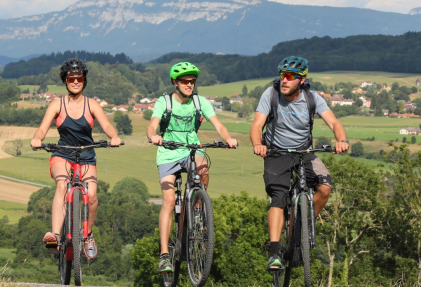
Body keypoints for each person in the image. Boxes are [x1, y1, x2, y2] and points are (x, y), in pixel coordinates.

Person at [249, 56, 349, 271]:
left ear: (301, 80)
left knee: (325, 186)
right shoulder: (271, 94)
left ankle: (303, 225)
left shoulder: (312, 99)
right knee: (279, 197)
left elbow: (333, 122)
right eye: (281, 75)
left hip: (304, 152)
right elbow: (257, 125)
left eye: (289, 76)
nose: (283, 80)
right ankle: (275, 252)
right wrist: (258, 144)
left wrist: (342, 140)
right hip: (276, 153)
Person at [146, 62, 238, 274]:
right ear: (175, 83)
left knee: (203, 167)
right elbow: (152, 124)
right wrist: (153, 136)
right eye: (185, 81)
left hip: (190, 150)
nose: (189, 84)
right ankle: (164, 255)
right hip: (168, 152)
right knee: (169, 201)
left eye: (192, 81)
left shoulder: (200, 102)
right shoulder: (164, 102)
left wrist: (229, 138)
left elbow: (219, 125)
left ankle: (197, 209)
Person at [30, 58, 121, 260]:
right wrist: (37, 138)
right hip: (62, 154)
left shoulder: (92, 105)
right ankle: (54, 235)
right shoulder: (57, 104)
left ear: (84, 80)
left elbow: (106, 125)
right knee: (62, 185)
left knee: (92, 195)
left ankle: (87, 236)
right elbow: (43, 127)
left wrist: (113, 137)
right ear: (65, 80)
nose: (76, 81)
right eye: (71, 78)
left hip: (87, 155)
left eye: (79, 78)